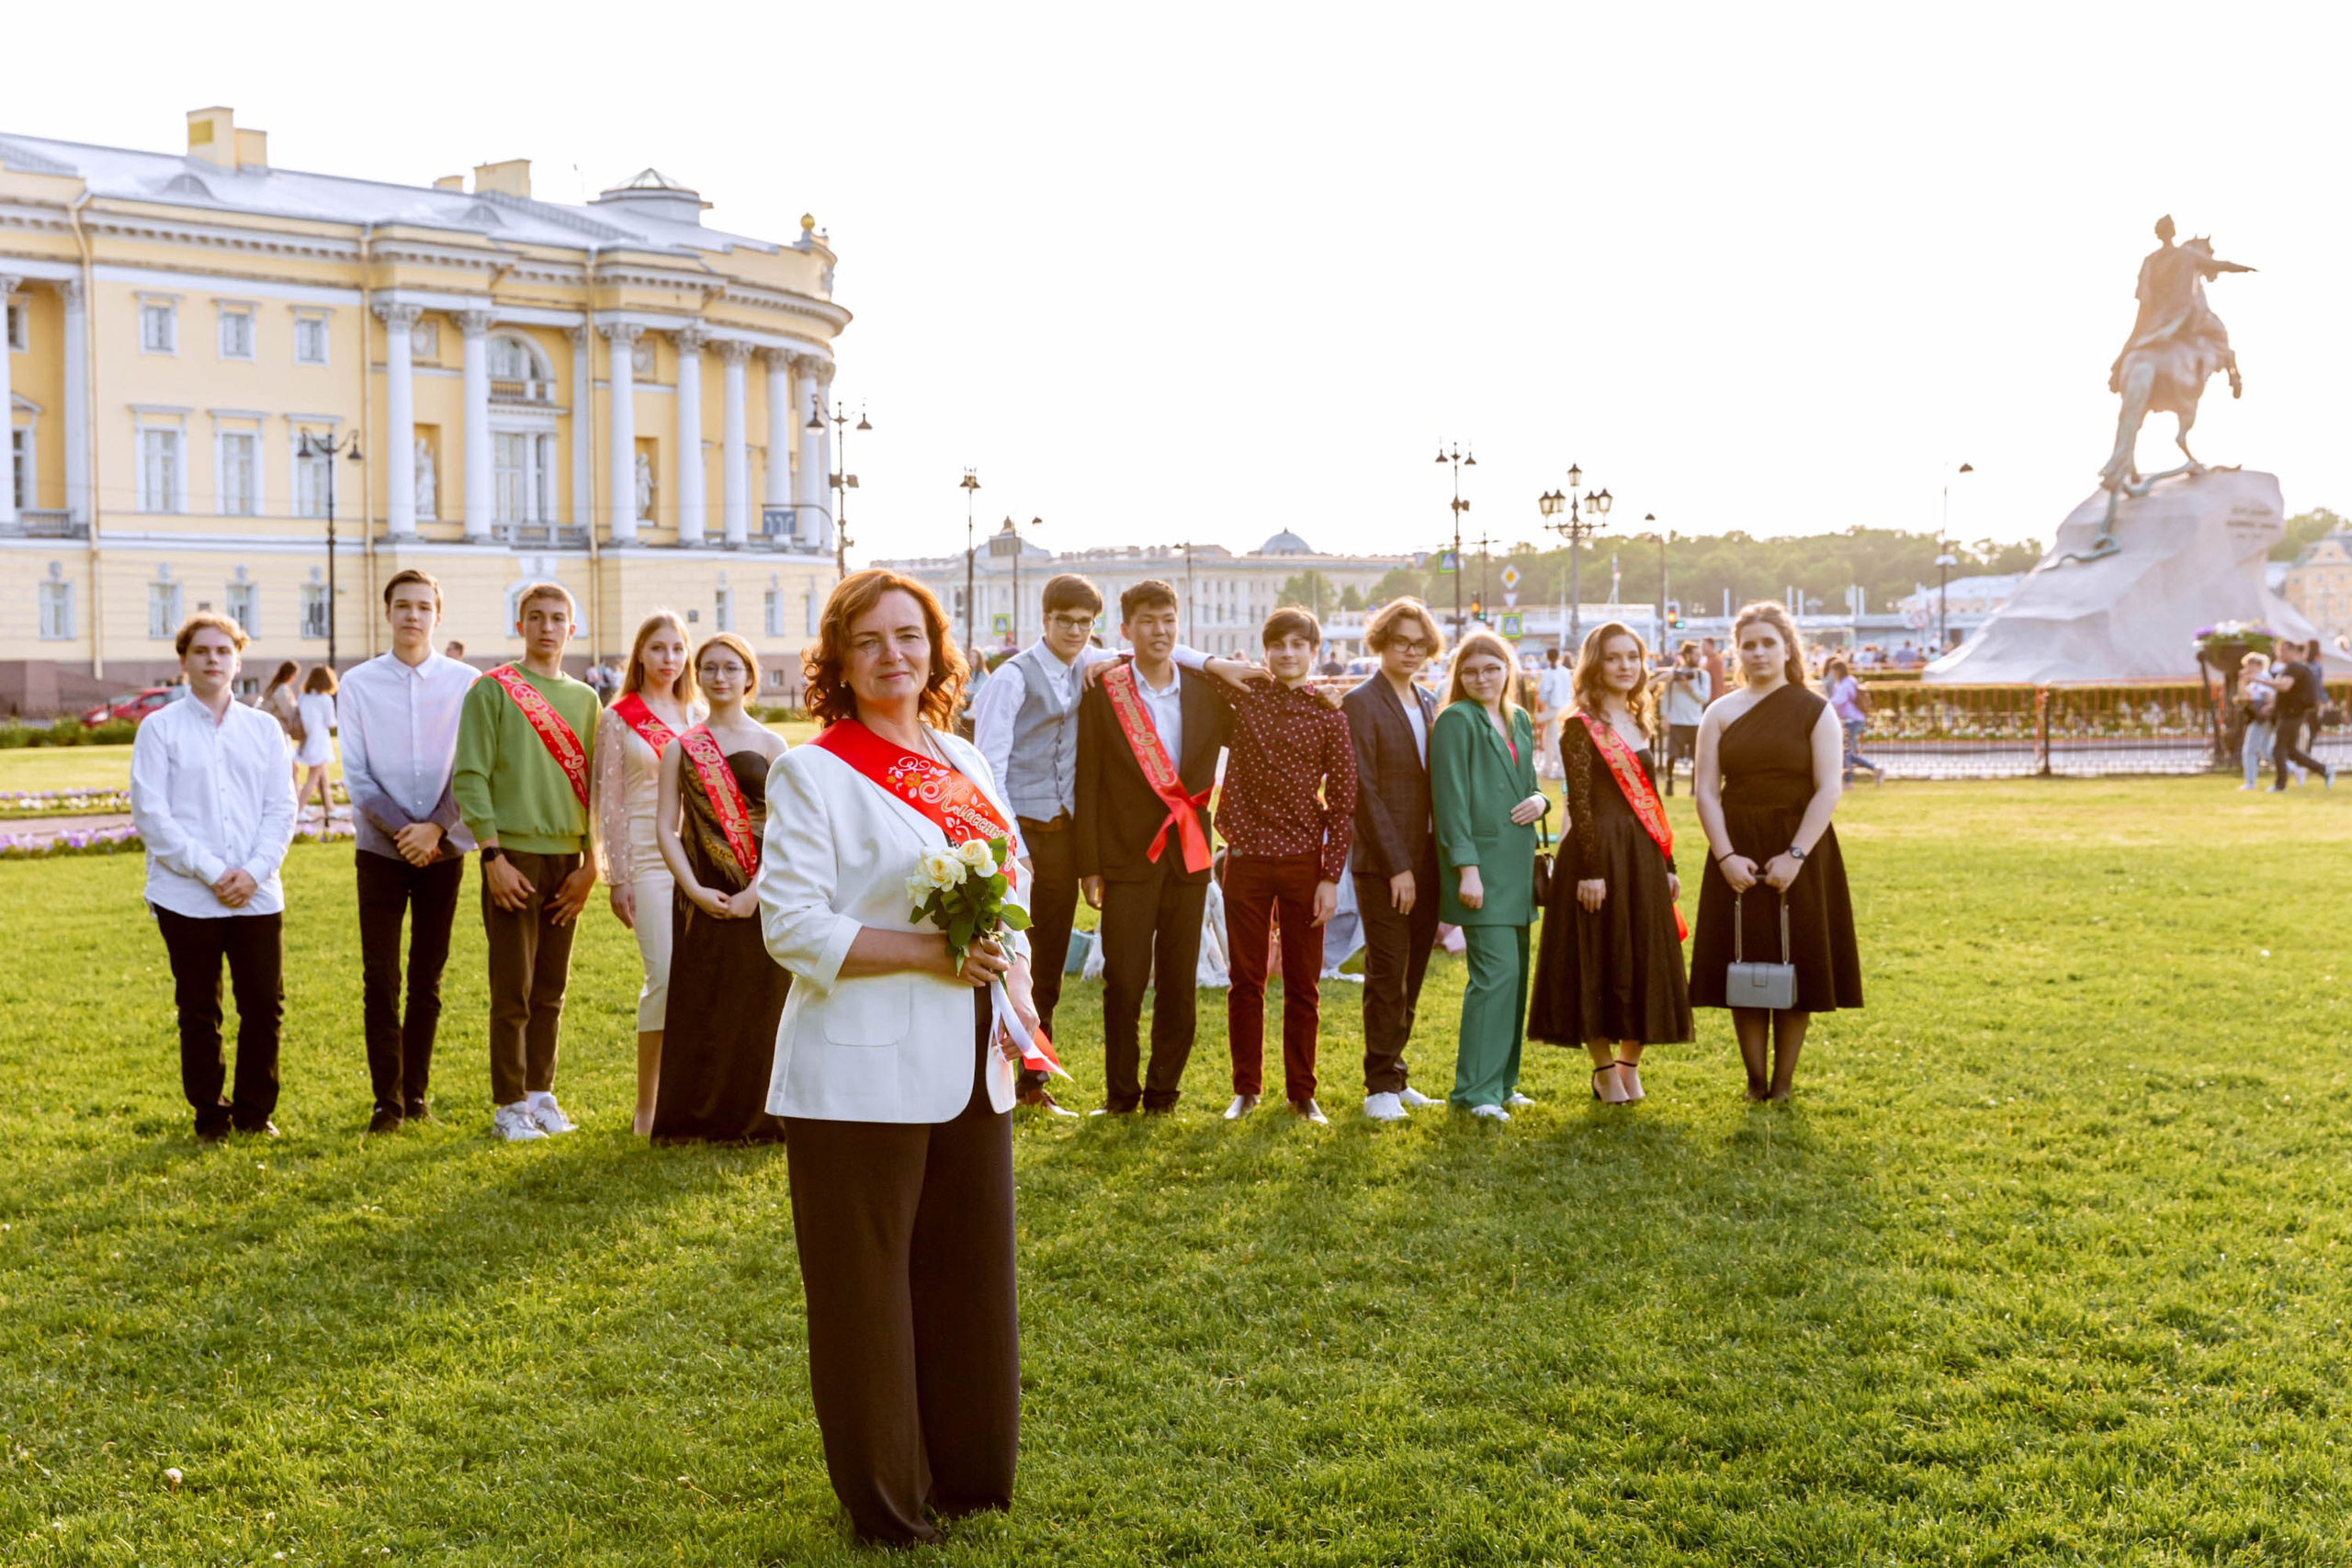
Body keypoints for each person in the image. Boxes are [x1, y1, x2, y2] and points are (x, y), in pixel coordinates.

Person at [758, 570, 1038, 1547]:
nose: (894, 655)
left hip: (973, 1058)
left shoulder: (963, 755)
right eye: (870, 640)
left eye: (910, 637)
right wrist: (930, 952)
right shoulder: (813, 771)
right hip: (857, 1069)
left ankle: (968, 1474)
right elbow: (791, 926)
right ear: (838, 658)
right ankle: (885, 1499)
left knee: (969, 1273)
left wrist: (1020, 995)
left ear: (937, 649)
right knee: (866, 1292)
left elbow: (1015, 884)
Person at [129, 614, 298, 1141]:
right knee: (200, 1011)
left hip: (257, 893)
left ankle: (254, 1113)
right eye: (201, 651)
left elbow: (282, 808)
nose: (212, 660)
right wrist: (212, 871)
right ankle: (210, 1115)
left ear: (238, 660)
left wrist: (251, 872)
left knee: (263, 1008)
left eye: (223, 651)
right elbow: (152, 815)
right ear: (183, 661)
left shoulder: (264, 729)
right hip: (186, 895)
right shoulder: (159, 728)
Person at [1689, 601, 1863, 1101]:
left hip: (1801, 847)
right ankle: (1754, 1081)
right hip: (1736, 846)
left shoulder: (1816, 709)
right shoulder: (1719, 712)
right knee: (1742, 960)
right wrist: (1725, 857)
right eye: (1749, 644)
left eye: (1768, 643)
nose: (1759, 652)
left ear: (1788, 649)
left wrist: (1796, 855)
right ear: (1736, 652)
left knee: (1797, 961)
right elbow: (1704, 792)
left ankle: (1783, 1084)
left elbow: (1828, 788)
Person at [1074, 581, 1233, 1114]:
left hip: (1189, 857)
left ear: (1178, 624)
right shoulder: (1106, 692)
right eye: (1146, 621)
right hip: (1126, 858)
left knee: (1178, 984)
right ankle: (1120, 1095)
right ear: (1125, 630)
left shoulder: (1206, 691)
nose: (1159, 631)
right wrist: (1090, 866)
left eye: (1167, 619)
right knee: (1123, 981)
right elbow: (1089, 780)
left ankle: (1163, 1093)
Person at [450, 581, 601, 1142]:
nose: (546, 627)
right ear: (520, 625)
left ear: (571, 628)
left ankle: (541, 1094)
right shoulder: (492, 691)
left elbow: (596, 787)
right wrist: (490, 855)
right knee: (512, 988)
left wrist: (591, 865)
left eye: (557, 618)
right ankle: (509, 1105)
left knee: (550, 989)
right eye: (534, 617)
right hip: (511, 857)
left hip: (567, 861)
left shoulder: (586, 700)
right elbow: (471, 775)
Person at [337, 570, 479, 1132]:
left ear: (437, 617)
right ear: (387, 611)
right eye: (402, 606)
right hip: (380, 851)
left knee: (427, 977)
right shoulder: (358, 685)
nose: (412, 616)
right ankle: (385, 1101)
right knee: (381, 978)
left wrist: (437, 829)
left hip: (444, 852)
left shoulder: (468, 683)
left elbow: (473, 768)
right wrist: (405, 832)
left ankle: (416, 1095)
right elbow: (358, 776)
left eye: (423, 607)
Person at [1530, 622, 1693, 1104]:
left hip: (1642, 854)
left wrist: (1670, 864)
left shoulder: (1642, 719)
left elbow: (1652, 800)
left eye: (1633, 657)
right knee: (1596, 959)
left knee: (1645, 955)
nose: (1625, 666)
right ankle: (1603, 1069)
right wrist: (1590, 870)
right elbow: (1578, 803)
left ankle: (1629, 1063)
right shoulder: (1580, 726)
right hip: (1596, 854)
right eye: (1614, 657)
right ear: (1595, 664)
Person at [1216, 606, 1357, 1125]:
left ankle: (1302, 1093)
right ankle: (1246, 1090)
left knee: (1303, 985)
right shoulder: (1243, 698)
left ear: (1314, 652)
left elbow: (1342, 804)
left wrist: (1330, 876)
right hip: (1247, 859)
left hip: (1303, 862)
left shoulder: (1328, 716)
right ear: (1266, 651)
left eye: (1300, 645)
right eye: (1279, 645)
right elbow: (1189, 669)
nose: (1289, 653)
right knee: (1245, 981)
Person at [968, 574, 1102, 1117]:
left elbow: (1154, 649)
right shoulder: (1014, 678)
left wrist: (1217, 665)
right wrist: (1013, 844)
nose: (1074, 630)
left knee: (1045, 963)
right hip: (1018, 836)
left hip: (1063, 835)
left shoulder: (1087, 662)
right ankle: (994, 1073)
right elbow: (986, 766)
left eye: (1084, 623)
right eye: (1064, 620)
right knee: (1008, 957)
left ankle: (1033, 1081)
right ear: (1043, 621)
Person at [652, 634, 787, 1141]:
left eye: (731, 668)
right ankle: (697, 1118)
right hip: (702, 887)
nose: (719, 677)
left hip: (761, 885)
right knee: (702, 998)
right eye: (708, 668)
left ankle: (759, 1116)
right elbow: (666, 826)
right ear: (698, 676)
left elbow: (786, 828)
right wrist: (691, 887)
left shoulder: (774, 746)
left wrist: (758, 889)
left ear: (749, 676)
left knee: (759, 1002)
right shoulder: (680, 747)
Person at [1431, 629, 1548, 1122]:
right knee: (1493, 977)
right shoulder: (1456, 721)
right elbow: (1450, 801)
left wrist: (1542, 800)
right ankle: (1473, 1092)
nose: (1482, 678)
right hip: (1480, 870)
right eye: (1471, 671)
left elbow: (1532, 784)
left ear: (1508, 670)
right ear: (1458, 677)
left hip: (1518, 868)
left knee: (1515, 978)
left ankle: (1502, 1083)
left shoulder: (1517, 717)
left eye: (1491, 669)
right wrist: (1467, 870)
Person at [1342, 598, 1447, 1122]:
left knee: (1416, 969)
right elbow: (1365, 790)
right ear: (1381, 641)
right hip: (1386, 863)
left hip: (1430, 857)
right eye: (1400, 641)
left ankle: (1397, 1072)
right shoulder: (1361, 701)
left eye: (1419, 643)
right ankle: (1378, 1084)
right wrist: (1397, 865)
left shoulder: (1429, 701)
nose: (1410, 651)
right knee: (1387, 970)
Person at [594, 611, 699, 1134]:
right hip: (645, 855)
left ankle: (693, 1097)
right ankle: (647, 1105)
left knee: (697, 977)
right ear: (640, 655)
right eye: (658, 649)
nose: (669, 660)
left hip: (698, 859)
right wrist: (618, 875)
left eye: (678, 649)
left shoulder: (696, 713)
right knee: (663, 976)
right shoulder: (619, 717)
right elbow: (607, 800)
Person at [2269, 637, 2335, 791]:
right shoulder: (2302, 668)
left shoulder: (2294, 668)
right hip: (2294, 712)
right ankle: (2324, 770)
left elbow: (2285, 687)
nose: (2280, 654)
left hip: (2292, 713)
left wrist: (2260, 681)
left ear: (2292, 651)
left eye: (2283, 650)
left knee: (2278, 749)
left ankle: (2280, 785)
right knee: (2291, 751)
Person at [1659, 640, 1711, 796]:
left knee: (1697, 757)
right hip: (1676, 720)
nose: (1698, 657)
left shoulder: (1703, 676)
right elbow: (1665, 697)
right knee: (1672, 755)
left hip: (1695, 721)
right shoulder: (1674, 674)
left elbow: (1704, 698)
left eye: (1699, 655)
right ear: (1687, 655)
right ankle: (1669, 783)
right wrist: (1664, 717)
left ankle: (1694, 788)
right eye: (1695, 654)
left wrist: (1689, 687)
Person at [292, 666, 338, 830]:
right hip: (319, 742)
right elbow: (331, 722)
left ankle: (331, 808)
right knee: (313, 778)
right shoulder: (325, 699)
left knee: (322, 777)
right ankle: (298, 811)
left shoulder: (303, 697)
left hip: (307, 741)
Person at [1824, 657, 1882, 784]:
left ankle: (1855, 777)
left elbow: (1839, 700)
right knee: (1846, 751)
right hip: (1853, 719)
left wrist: (1823, 704)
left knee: (1845, 751)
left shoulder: (1845, 684)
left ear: (1838, 671)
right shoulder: (1848, 682)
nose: (1831, 674)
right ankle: (1873, 770)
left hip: (1851, 720)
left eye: (1832, 671)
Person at [2238, 649, 2280, 790]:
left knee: (2249, 750)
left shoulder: (2262, 678)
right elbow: (2244, 695)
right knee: (2266, 750)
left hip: (2262, 718)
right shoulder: (2257, 680)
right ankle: (2292, 768)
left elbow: (2269, 697)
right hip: (2261, 717)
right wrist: (2242, 680)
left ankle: (2250, 782)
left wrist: (2267, 709)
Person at [1532, 647, 1575, 783]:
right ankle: (1550, 768)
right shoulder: (1564, 672)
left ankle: (1555, 769)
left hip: (1553, 707)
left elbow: (1544, 693)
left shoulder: (1549, 673)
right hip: (1564, 707)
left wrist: (1541, 701)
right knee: (1552, 738)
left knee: (1553, 739)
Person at [259, 660, 301, 784]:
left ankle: (297, 799)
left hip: (274, 732)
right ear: (290, 674)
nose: (295, 679)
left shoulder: (274, 687)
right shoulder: (282, 689)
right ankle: (297, 800)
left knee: (291, 768)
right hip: (279, 733)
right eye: (295, 675)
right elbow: (287, 712)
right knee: (293, 768)